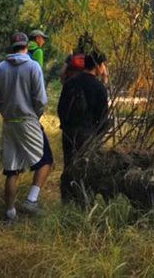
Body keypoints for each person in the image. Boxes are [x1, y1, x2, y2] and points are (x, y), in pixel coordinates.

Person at [0, 32, 53, 224]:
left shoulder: (1, 68)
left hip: (9, 123)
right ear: (27, 45)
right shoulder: (33, 66)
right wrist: (36, 115)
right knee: (46, 161)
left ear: (11, 47)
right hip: (28, 120)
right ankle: (31, 200)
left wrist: (5, 112)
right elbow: (41, 99)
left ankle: (10, 214)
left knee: (11, 170)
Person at [57, 48, 109, 204]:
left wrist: (65, 126)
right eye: (103, 65)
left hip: (69, 131)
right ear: (98, 65)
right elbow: (103, 116)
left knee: (69, 165)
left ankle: (66, 200)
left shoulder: (70, 82)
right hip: (88, 134)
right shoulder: (99, 87)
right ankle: (84, 201)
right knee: (86, 169)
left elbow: (61, 108)